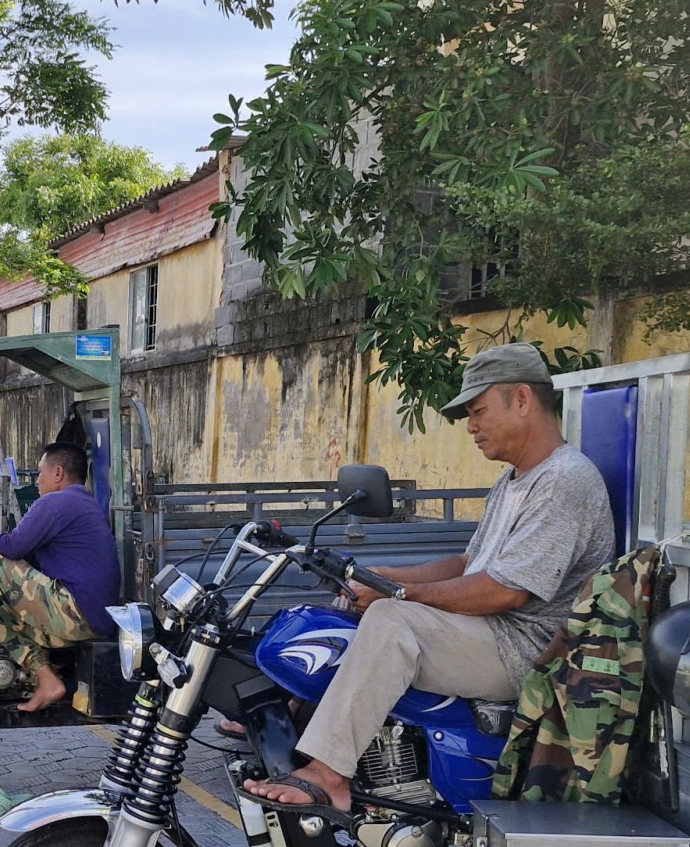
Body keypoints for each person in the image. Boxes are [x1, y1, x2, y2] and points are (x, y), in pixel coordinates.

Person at [243, 342, 616, 811]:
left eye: (478, 411)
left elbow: (507, 592)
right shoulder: (515, 479)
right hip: (491, 633)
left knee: (392, 622)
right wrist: (382, 577)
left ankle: (328, 772)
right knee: (356, 598)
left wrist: (404, 595)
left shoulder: (564, 479)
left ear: (522, 400)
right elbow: (470, 563)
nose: (471, 427)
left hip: (526, 650)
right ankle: (295, 715)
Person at [0, 440, 120, 712]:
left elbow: (12, 546)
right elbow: (29, 556)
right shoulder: (81, 503)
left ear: (58, 473)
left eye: (40, 473)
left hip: (75, 610)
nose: (37, 481)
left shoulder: (56, 502)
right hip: (90, 618)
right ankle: (47, 681)